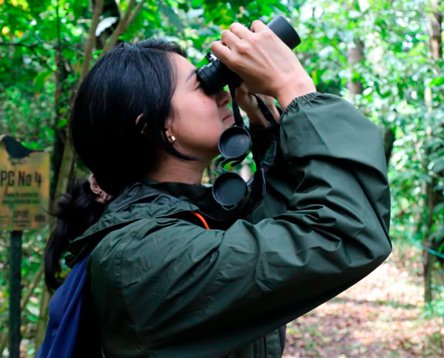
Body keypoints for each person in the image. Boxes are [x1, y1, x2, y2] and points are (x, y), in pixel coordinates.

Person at [43, 20, 392, 358]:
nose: (224, 96)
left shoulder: (186, 221)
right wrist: (292, 84)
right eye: (202, 86)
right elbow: (343, 233)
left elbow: (280, 220)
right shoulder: (142, 255)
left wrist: (268, 127)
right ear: (152, 127)